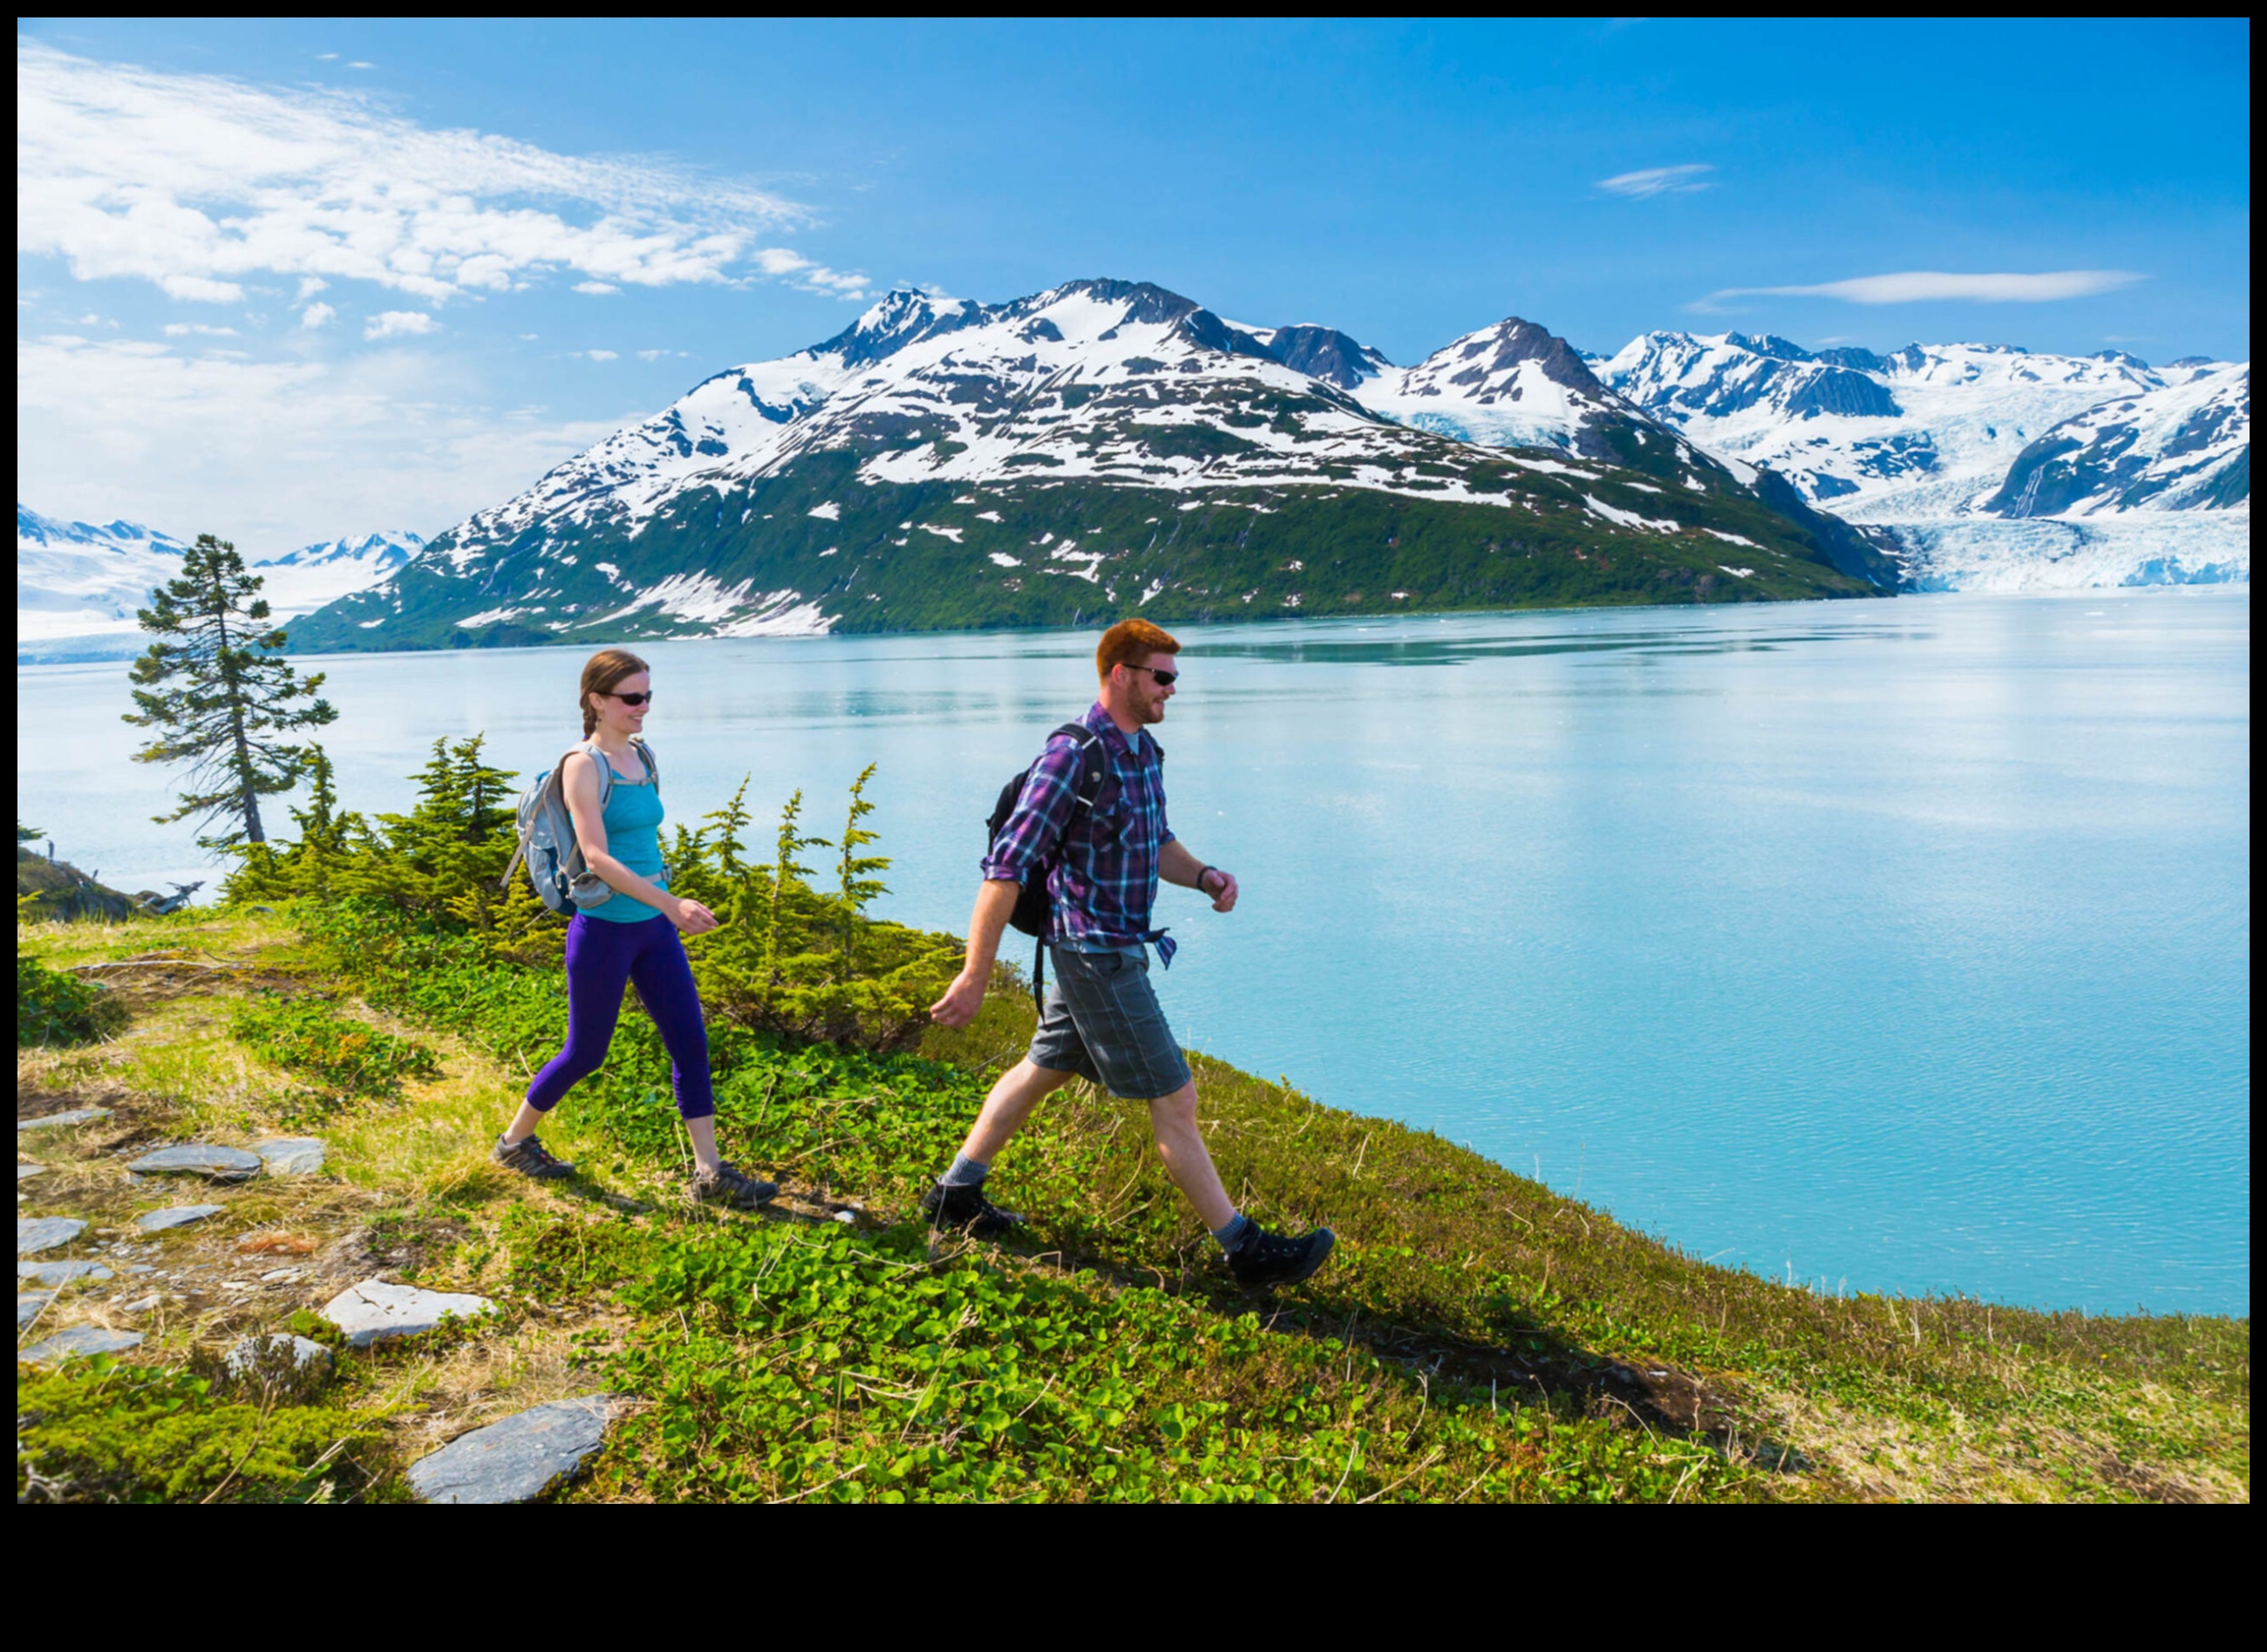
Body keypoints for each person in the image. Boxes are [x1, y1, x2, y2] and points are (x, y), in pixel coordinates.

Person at [927, 619, 1335, 1288]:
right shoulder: (1072, 757)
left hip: (1114, 950)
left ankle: (955, 1193)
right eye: (1162, 676)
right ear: (1121, 673)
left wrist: (1203, 875)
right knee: (1176, 1098)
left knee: (1041, 1068)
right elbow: (1004, 869)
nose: (1172, 691)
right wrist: (975, 973)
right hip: (1095, 955)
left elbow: (1156, 840)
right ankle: (1245, 1250)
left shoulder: (1144, 753)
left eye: (1174, 677)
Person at [492, 648, 776, 1208]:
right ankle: (514, 1141)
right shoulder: (583, 765)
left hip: (653, 931)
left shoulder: (642, 756)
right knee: (585, 1052)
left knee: (691, 1045)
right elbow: (596, 857)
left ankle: (710, 1174)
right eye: (631, 698)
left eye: (648, 695)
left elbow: (641, 842)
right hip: (604, 931)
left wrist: (664, 908)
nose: (643, 707)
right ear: (596, 700)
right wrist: (672, 905)